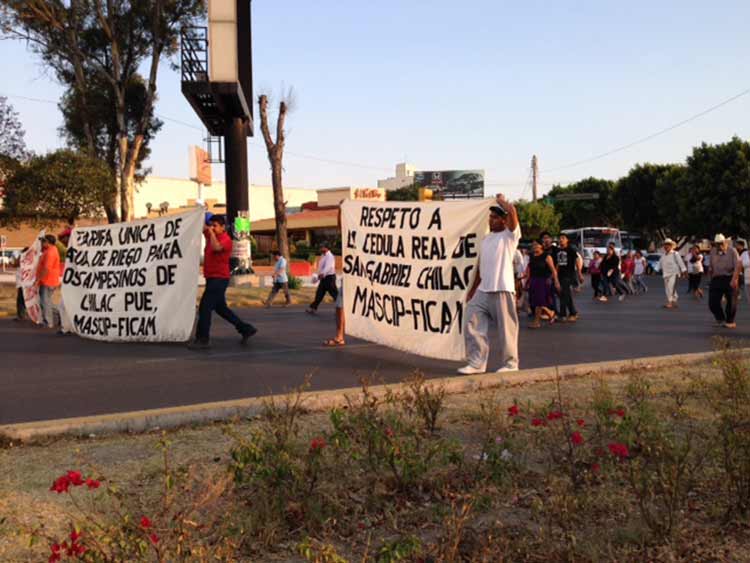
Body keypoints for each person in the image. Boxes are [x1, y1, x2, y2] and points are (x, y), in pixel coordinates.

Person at [460, 196, 521, 375]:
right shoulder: (486, 239)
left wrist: (501, 201)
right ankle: (477, 363)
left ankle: (511, 364)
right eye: (490, 217)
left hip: (502, 289)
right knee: (471, 322)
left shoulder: (510, 236)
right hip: (483, 290)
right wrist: (472, 290)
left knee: (506, 330)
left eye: (495, 218)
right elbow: (480, 267)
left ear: (504, 220)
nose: (491, 220)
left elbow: (513, 212)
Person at [189, 215, 257, 350]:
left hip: (219, 279)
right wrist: (200, 214)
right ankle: (245, 329)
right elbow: (201, 227)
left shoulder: (226, 240)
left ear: (222, 227)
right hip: (211, 279)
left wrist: (211, 234)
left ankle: (203, 339)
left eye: (215, 225)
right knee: (221, 309)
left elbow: (215, 248)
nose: (212, 228)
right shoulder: (210, 235)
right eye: (211, 225)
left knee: (205, 308)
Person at [708, 234, 741, 329]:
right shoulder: (713, 251)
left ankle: (730, 321)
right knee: (712, 303)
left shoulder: (732, 251)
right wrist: (710, 275)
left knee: (731, 301)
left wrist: (734, 280)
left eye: (721, 243)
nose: (719, 246)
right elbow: (711, 265)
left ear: (725, 242)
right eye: (717, 244)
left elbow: (737, 267)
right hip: (716, 278)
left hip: (729, 278)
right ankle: (720, 318)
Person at [526, 241, 559, 328]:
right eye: (533, 245)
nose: (535, 246)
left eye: (537, 244)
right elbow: (529, 269)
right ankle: (550, 312)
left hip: (543, 281)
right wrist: (527, 281)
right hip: (533, 280)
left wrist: (556, 281)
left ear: (541, 246)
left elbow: (553, 270)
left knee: (539, 302)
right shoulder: (532, 257)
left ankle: (536, 322)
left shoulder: (547, 256)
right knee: (534, 301)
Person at [555, 233, 583, 322]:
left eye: (563, 238)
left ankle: (562, 315)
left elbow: (577, 260)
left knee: (564, 294)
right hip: (560, 275)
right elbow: (557, 264)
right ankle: (573, 312)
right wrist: (554, 275)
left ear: (567, 240)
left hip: (569, 275)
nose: (561, 240)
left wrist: (579, 273)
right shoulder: (557, 251)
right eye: (560, 238)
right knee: (565, 294)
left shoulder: (571, 249)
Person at [36, 235, 61, 328]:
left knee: (45, 302)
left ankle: (48, 322)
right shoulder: (48, 250)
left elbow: (46, 269)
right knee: (46, 301)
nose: (41, 243)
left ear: (48, 242)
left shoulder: (50, 252)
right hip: (47, 280)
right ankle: (60, 313)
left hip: (48, 281)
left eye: (43, 241)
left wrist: (38, 279)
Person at [306, 244, 338, 314]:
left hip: (330, 278)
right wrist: (317, 275)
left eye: (322, 247)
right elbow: (320, 267)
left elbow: (328, 267)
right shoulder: (323, 256)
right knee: (319, 294)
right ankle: (313, 308)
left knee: (334, 294)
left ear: (326, 248)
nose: (320, 249)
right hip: (324, 278)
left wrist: (322, 274)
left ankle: (343, 309)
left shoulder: (330, 256)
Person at [658, 239, 686, 309]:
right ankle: (674, 301)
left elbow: (680, 262)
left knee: (670, 287)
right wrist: (655, 270)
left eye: (668, 245)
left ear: (671, 246)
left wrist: (684, 271)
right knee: (668, 288)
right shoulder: (663, 255)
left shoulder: (675, 253)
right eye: (665, 245)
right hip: (665, 274)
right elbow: (659, 264)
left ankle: (670, 302)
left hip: (674, 273)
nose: (666, 246)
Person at [540, 231, 559, 315]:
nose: (546, 240)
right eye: (544, 238)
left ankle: (554, 311)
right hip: (541, 274)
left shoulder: (555, 250)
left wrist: (553, 276)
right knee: (544, 294)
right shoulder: (541, 250)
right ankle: (545, 311)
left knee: (552, 294)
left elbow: (558, 264)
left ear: (551, 239)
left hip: (552, 274)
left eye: (547, 238)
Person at [14, 249, 28, 321]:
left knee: (23, 299)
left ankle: (22, 315)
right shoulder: (21, 259)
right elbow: (15, 264)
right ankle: (21, 315)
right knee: (20, 299)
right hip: (21, 283)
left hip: (26, 283)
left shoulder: (29, 261)